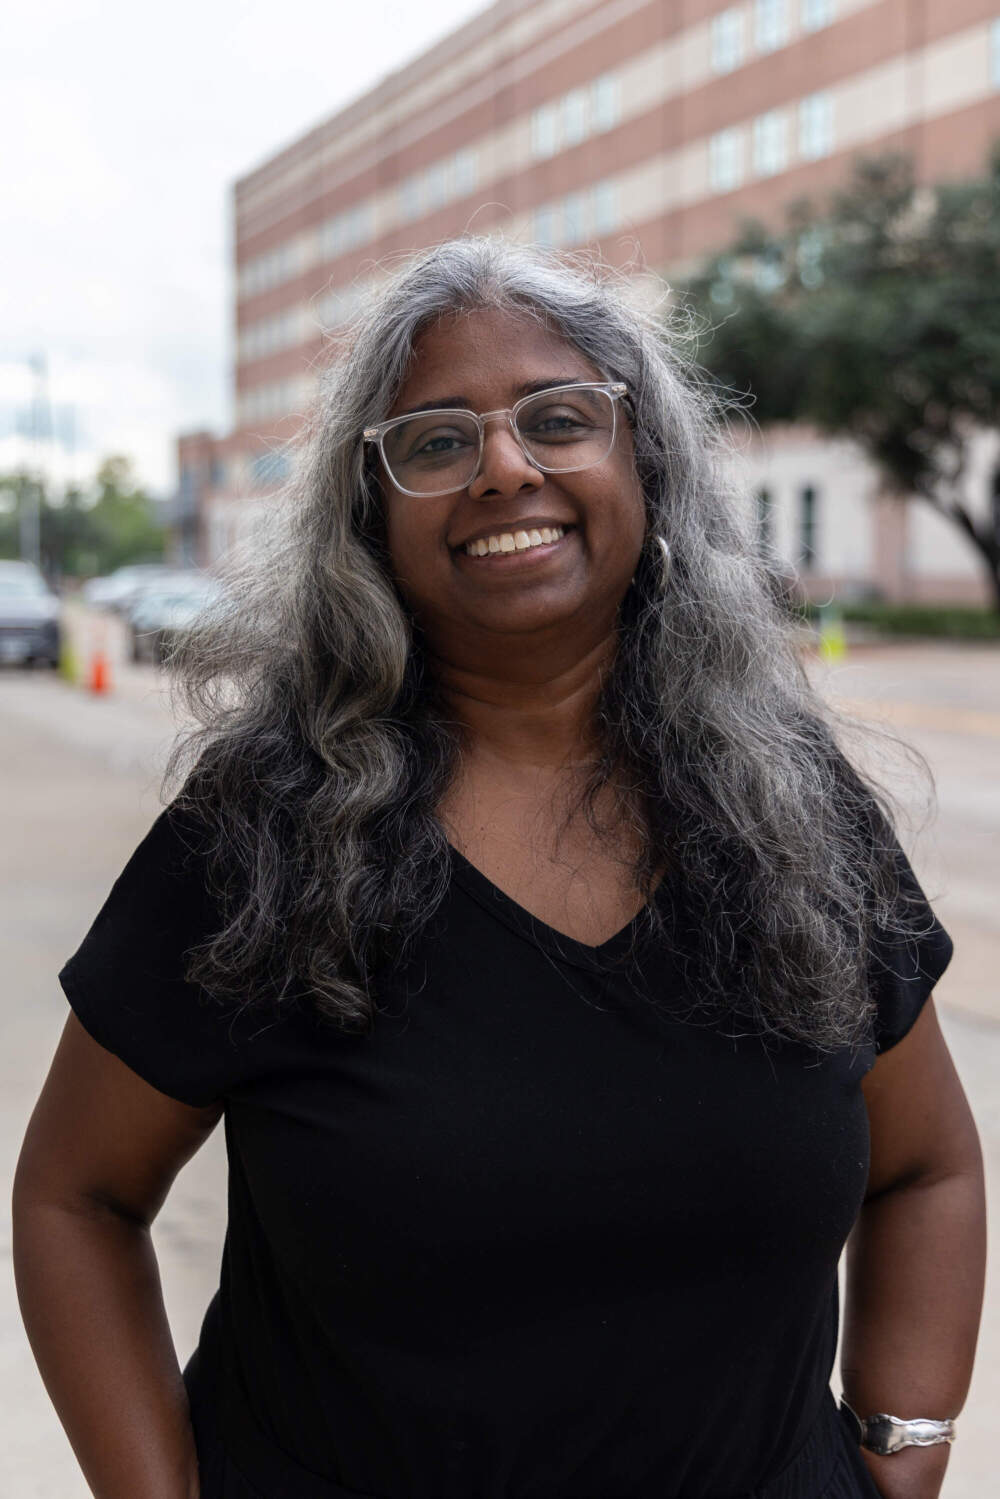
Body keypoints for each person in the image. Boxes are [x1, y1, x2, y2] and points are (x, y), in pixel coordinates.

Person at [13, 238, 985, 1499]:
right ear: (372, 516)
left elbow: (929, 1166)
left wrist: (900, 1458)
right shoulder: (264, 829)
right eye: (435, 441)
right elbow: (74, 1197)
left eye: (560, 417)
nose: (507, 467)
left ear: (647, 461)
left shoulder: (786, 805)